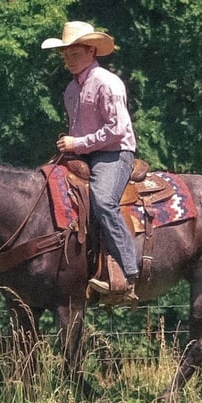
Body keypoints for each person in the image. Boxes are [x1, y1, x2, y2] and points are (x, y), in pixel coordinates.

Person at [41, 21, 139, 302]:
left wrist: (77, 143)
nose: (68, 59)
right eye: (65, 54)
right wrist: (71, 147)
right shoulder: (71, 89)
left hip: (114, 153)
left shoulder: (107, 83)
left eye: (74, 53)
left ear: (92, 51)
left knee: (103, 200)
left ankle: (129, 272)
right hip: (83, 153)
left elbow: (117, 129)